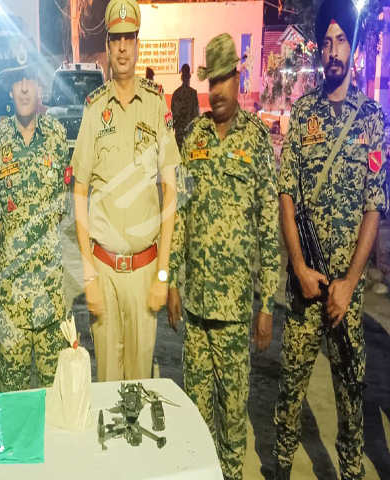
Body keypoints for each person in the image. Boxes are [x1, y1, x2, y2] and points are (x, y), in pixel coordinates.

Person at [273, 1, 386, 479]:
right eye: (326, 42)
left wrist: (350, 282)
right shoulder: (303, 114)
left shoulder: (371, 118)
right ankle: (281, 466)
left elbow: (374, 206)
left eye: (341, 40)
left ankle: (351, 471)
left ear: (353, 48)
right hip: (306, 289)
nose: (333, 50)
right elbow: (287, 196)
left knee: (351, 399)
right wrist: (298, 267)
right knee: (289, 392)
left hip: (347, 296)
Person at [167, 33, 280, 480]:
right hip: (195, 311)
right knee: (196, 420)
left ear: (238, 77)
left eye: (223, 80)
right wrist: (171, 280)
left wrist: (266, 304)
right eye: (210, 81)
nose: (216, 91)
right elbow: (181, 212)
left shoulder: (256, 140)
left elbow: (268, 224)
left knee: (233, 422)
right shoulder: (193, 137)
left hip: (234, 313)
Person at [72, 0, 179, 382]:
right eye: (115, 39)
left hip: (144, 271)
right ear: (107, 45)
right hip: (103, 271)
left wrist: (162, 274)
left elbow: (170, 193)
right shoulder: (93, 109)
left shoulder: (155, 104)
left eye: (128, 39)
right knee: (106, 385)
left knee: (140, 385)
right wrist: (88, 275)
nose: (121, 48)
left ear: (137, 44)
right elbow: (80, 192)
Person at [0, 46, 70, 392]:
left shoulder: (57, 138)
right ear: (10, 89)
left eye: (29, 80)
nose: (23, 88)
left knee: (53, 397)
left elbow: (61, 207)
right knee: (14, 400)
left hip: (50, 297)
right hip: (13, 301)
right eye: (17, 81)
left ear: (39, 87)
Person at [171, 63, 200, 149]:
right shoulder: (193, 94)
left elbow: (172, 116)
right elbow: (196, 115)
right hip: (190, 134)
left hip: (179, 134)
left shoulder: (176, 94)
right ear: (189, 76)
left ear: (181, 77)